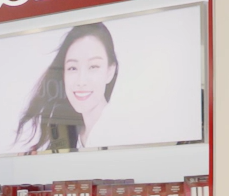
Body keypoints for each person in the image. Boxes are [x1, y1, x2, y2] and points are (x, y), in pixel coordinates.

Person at [15, 22, 143, 152]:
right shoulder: (74, 134)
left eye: (93, 67)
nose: (81, 81)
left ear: (110, 71)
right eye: (72, 68)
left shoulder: (119, 131)